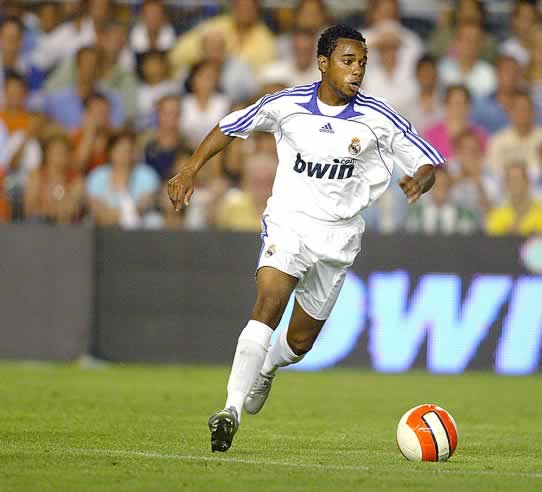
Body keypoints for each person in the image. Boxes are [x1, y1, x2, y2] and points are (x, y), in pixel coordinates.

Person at [167, 25, 443, 453]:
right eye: (349, 62)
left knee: (298, 343)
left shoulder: (378, 116)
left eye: (363, 63)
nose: (357, 71)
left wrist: (419, 182)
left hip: (339, 237)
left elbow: (426, 162)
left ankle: (269, 367)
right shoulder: (288, 104)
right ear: (323, 63)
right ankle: (230, 410)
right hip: (289, 222)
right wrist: (190, 170)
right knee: (268, 303)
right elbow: (230, 126)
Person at [486, 161, 542, 235]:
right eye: (511, 180)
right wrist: (507, 236)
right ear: (506, 185)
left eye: (518, 179)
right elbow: (491, 242)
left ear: (527, 182)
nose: (515, 184)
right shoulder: (496, 217)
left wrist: (537, 236)